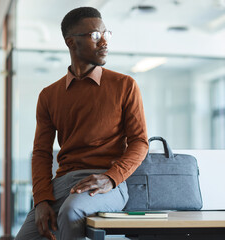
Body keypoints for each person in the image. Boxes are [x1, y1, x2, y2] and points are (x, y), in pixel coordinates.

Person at [15, 6, 148, 240]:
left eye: (106, 33)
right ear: (71, 43)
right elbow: (41, 153)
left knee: (71, 211)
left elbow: (140, 142)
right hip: (64, 183)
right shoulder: (49, 95)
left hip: (107, 181)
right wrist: (42, 200)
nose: (104, 41)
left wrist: (111, 177)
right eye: (95, 36)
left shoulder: (125, 85)